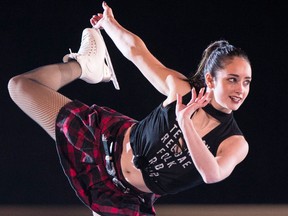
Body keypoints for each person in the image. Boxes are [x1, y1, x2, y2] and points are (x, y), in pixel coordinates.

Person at [8, 1, 252, 216]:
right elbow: (138, 53)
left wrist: (185, 122)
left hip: (125, 197)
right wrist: (110, 24)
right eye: (232, 79)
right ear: (210, 80)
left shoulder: (234, 142)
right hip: (101, 140)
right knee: (20, 86)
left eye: (246, 82)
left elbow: (212, 174)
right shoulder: (180, 90)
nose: (240, 89)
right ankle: (85, 66)